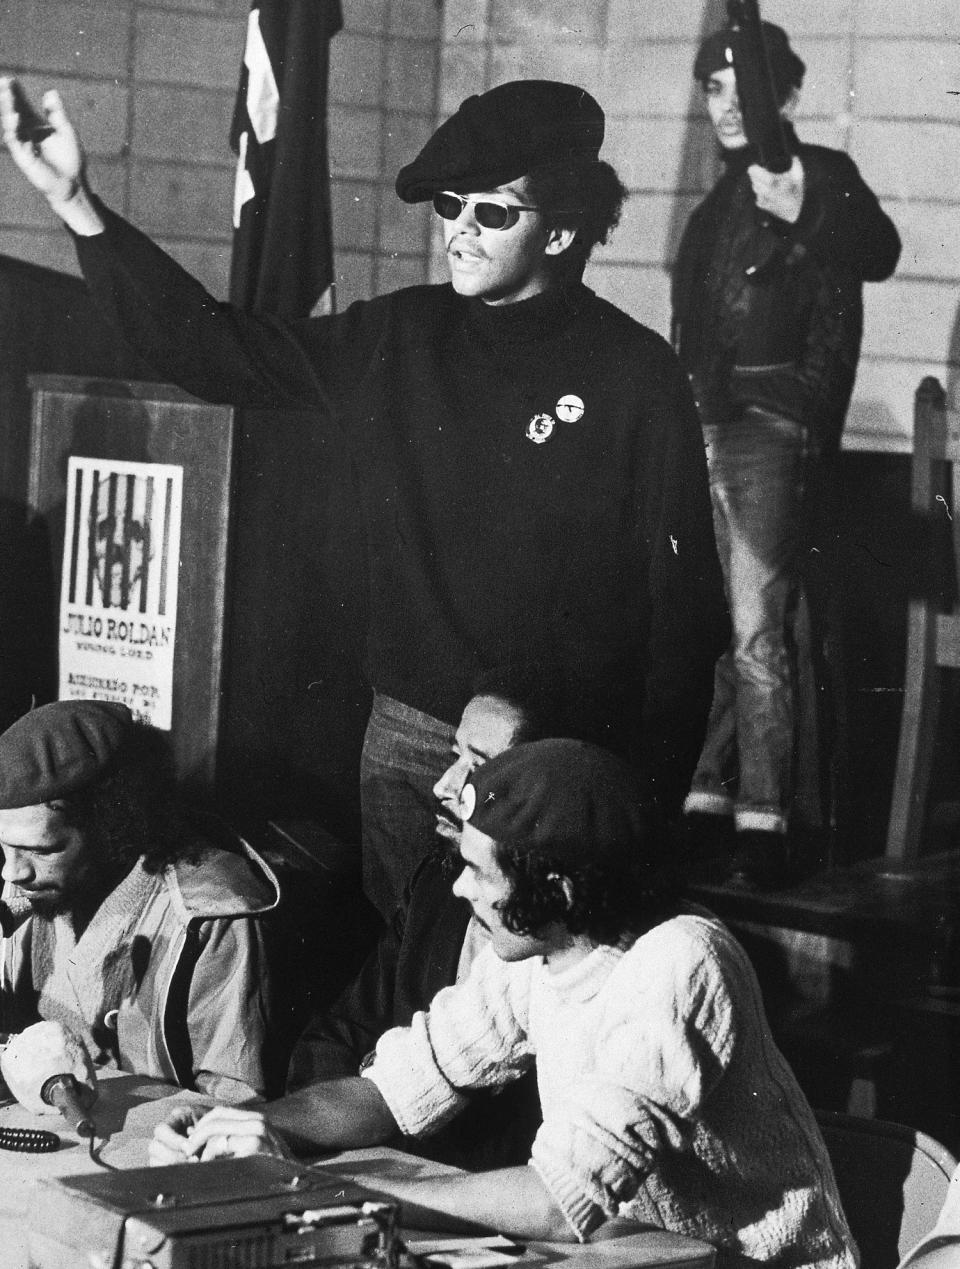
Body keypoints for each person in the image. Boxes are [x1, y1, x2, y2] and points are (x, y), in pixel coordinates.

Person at [0, 76, 728, 920]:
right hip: (409, 742)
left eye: (492, 213)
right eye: (450, 206)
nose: (459, 230)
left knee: (537, 990)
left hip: (554, 757)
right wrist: (79, 202)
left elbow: (684, 612)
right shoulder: (399, 337)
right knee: (409, 979)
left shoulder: (636, 374)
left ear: (563, 230)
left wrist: (646, 801)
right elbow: (213, 349)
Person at [150, 739, 857, 1267]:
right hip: (637, 1255)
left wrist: (342, 1199)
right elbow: (395, 1088)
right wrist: (249, 1124)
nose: (458, 890)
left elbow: (557, 1199)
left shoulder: (681, 959)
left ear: (562, 888)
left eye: (477, 873)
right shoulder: (539, 950)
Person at [672, 23, 901, 889]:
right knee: (724, 634)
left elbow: (878, 251)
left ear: (791, 100)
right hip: (706, 426)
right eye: (715, 87)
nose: (729, 106)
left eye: (750, 89)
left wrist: (802, 196)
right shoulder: (710, 210)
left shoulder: (820, 181)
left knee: (759, 633)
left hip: (772, 432)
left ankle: (764, 825)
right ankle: (706, 803)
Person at [287, 669, 560, 1171]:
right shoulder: (440, 885)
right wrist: (277, 1130)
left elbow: (556, 1190)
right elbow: (342, 1037)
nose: (443, 785)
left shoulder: (589, 956)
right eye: (454, 756)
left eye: (477, 767)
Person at [0, 699, 279, 1102]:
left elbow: (236, 1103)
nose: (13, 873)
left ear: (111, 825)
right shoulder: (32, 881)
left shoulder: (212, 914)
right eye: (4, 847)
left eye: (43, 850)